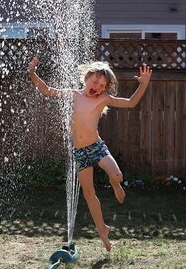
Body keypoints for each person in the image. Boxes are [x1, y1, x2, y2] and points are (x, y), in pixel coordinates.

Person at [28, 56, 152, 251]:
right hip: (80, 152)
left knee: (117, 174)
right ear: (86, 78)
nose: (98, 87)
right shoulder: (73, 95)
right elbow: (46, 90)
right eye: (95, 82)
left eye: (102, 85)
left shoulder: (103, 99)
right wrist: (33, 74)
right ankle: (102, 230)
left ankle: (115, 183)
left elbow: (130, 103)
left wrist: (143, 84)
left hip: (96, 147)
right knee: (88, 193)